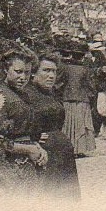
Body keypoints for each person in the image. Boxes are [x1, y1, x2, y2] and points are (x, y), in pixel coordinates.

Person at [23, 52, 81, 199]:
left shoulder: (51, 93)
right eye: (46, 70)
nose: (51, 75)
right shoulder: (26, 95)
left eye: (54, 71)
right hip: (45, 156)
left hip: (62, 155)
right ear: (33, 73)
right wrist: (33, 137)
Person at [0, 50, 49, 186]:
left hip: (28, 164)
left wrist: (38, 148)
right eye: (18, 71)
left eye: (27, 72)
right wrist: (29, 149)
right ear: (6, 70)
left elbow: (27, 132)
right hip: (9, 166)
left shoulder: (24, 95)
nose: (23, 77)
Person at [58, 48, 97, 157]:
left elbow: (59, 83)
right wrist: (93, 94)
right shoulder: (85, 69)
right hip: (82, 99)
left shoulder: (66, 68)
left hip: (67, 98)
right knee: (81, 124)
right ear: (82, 57)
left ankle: (69, 148)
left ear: (71, 56)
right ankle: (80, 149)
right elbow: (90, 85)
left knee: (69, 124)